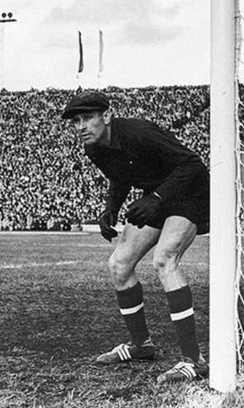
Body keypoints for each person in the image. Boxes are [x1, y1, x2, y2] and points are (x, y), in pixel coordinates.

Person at [62, 90, 210, 384]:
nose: (81, 126)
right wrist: (110, 209)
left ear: (107, 116)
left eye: (87, 118)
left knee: (164, 259)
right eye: (76, 121)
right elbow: (119, 176)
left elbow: (192, 164)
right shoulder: (93, 148)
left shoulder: (139, 133)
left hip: (189, 192)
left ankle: (194, 361)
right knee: (119, 263)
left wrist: (156, 198)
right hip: (156, 196)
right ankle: (141, 346)